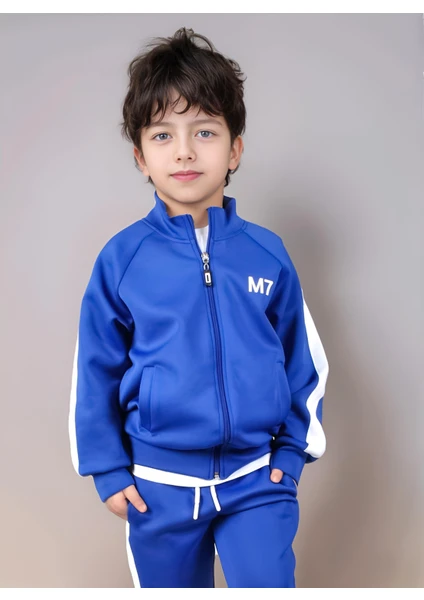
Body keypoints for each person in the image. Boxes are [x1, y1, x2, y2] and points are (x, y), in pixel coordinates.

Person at [68, 26, 329, 588]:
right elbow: (94, 372)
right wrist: (108, 469)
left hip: (257, 479)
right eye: (163, 135)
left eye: (204, 131)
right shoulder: (123, 260)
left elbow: (303, 360)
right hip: (158, 486)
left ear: (234, 149)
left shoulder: (267, 254)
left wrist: (291, 454)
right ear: (140, 157)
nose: (184, 150)